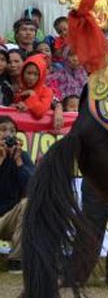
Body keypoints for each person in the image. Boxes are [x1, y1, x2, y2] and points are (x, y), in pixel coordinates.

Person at [0, 116, 34, 272]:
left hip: (9, 220)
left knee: (29, 203)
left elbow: (33, 188)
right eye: (3, 130)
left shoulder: (22, 157)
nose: (8, 134)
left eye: (13, 131)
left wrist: (19, 162)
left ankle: (16, 260)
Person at [12, 53, 53, 119]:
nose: (31, 78)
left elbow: (40, 112)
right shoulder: (19, 90)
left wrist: (32, 96)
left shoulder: (47, 91)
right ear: (23, 73)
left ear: (41, 76)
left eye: (35, 74)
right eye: (29, 73)